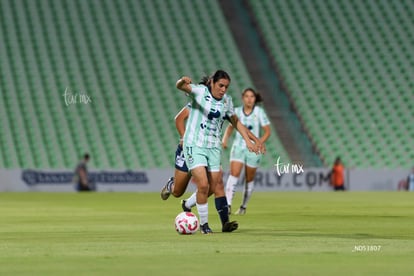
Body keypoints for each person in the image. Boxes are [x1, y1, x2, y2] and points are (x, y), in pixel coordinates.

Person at [173, 70, 261, 234]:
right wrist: (182, 81)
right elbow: (181, 87)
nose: (223, 90)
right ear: (212, 82)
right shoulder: (200, 92)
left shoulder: (226, 102)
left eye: (226, 87)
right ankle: (204, 225)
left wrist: (249, 141)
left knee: (215, 186)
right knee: (203, 185)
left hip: (213, 147)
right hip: (195, 145)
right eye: (220, 85)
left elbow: (236, 122)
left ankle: (211, 217)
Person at [222, 88, 271, 215]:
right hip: (238, 146)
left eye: (252, 96)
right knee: (234, 174)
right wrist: (225, 140)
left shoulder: (259, 112)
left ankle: (243, 206)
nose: (249, 99)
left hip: (254, 149)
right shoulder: (236, 111)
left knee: (249, 178)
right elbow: (230, 128)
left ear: (255, 99)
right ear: (243, 98)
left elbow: (267, 131)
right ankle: (228, 204)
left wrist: (259, 142)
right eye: (247, 96)